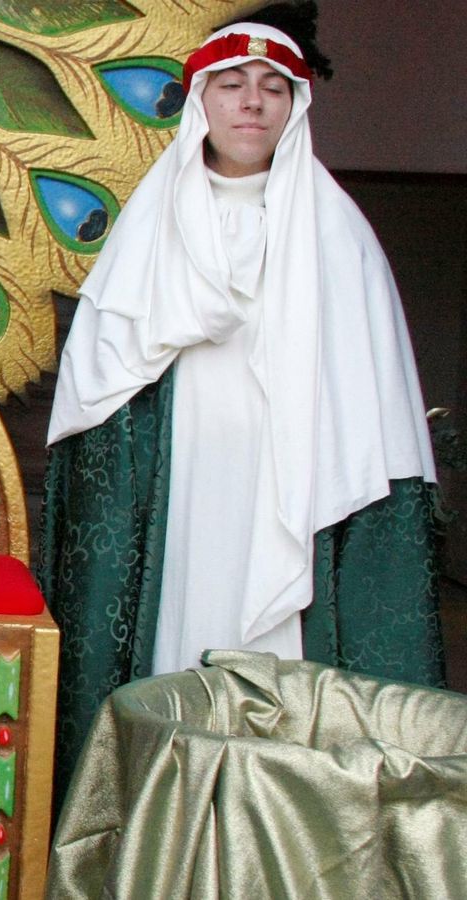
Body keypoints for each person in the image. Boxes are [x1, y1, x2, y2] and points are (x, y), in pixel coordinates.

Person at [39, 13, 443, 797]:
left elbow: (374, 408)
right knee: (180, 648)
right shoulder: (148, 231)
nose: (252, 104)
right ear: (201, 102)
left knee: (278, 664)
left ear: (295, 106)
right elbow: (102, 387)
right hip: (184, 494)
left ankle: (275, 829)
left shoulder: (340, 237)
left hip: (292, 494)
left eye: (273, 88)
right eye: (232, 85)